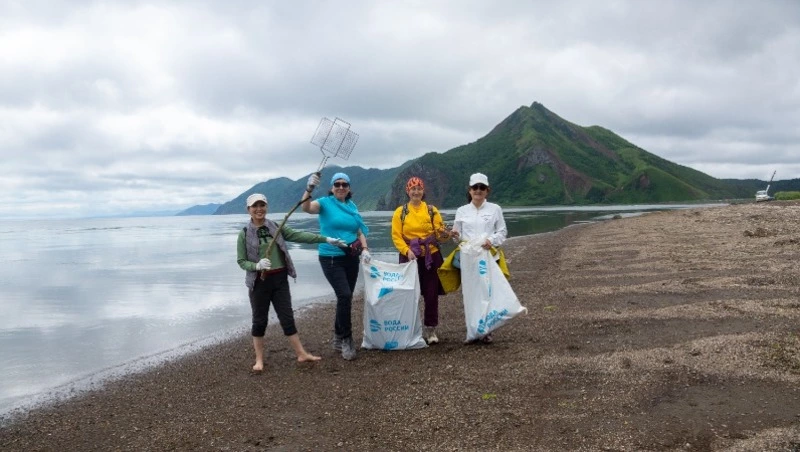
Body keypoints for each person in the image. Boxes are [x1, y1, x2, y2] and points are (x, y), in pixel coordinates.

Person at [237, 192, 346, 372]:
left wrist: (325, 239)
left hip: (279, 279)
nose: (259, 209)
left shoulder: (276, 227)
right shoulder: (244, 234)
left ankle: (301, 353)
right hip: (259, 281)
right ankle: (259, 360)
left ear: (266, 207)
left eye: (262, 205)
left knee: (287, 317)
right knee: (259, 320)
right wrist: (256, 265)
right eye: (254, 206)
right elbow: (241, 261)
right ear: (248, 209)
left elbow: (298, 235)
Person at [301, 172, 370, 360]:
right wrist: (309, 188)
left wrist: (364, 249)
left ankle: (338, 337)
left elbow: (358, 230)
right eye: (337, 184)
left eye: (344, 184)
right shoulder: (324, 203)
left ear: (349, 188)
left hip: (351, 257)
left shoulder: (352, 206)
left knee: (344, 298)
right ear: (332, 187)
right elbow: (306, 208)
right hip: (331, 257)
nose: (341, 187)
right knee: (345, 295)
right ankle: (347, 339)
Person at [448, 172, 508, 344]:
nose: (478, 190)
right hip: (468, 258)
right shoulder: (461, 211)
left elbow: (502, 232)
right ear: (470, 190)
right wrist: (453, 235)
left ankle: (486, 330)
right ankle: (472, 330)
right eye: (475, 187)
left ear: (487, 190)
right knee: (470, 294)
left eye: (482, 187)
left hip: (488, 256)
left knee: (487, 292)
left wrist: (492, 240)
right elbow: (456, 237)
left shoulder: (495, 209)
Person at [390, 176, 449, 344]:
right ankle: (410, 329)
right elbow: (396, 236)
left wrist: (445, 234)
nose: (416, 191)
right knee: (409, 294)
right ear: (407, 191)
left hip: (431, 255)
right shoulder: (400, 212)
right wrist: (407, 251)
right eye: (412, 188)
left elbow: (439, 233)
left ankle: (431, 331)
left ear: (423, 191)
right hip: (408, 257)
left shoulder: (432, 210)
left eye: (419, 188)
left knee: (431, 295)